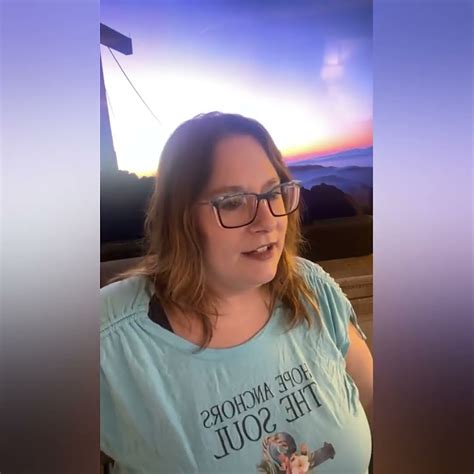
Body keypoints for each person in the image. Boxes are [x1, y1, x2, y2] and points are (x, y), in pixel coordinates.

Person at [100, 112, 373, 474]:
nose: (268, 220)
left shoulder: (310, 288)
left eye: (273, 193)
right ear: (179, 218)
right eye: (231, 201)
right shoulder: (111, 337)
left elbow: (374, 405)